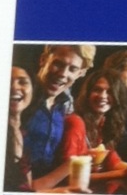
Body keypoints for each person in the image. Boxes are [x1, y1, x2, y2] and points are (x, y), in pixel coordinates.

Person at [59, 69, 127, 179]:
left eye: (110, 92)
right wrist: (123, 173)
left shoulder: (103, 124)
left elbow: (114, 162)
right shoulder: (75, 122)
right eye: (97, 90)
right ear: (87, 94)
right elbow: (69, 174)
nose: (103, 96)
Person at [22, 44, 96, 180]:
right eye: (58, 64)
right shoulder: (21, 98)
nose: (63, 73)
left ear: (81, 73)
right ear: (43, 59)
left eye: (73, 69)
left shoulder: (62, 106)